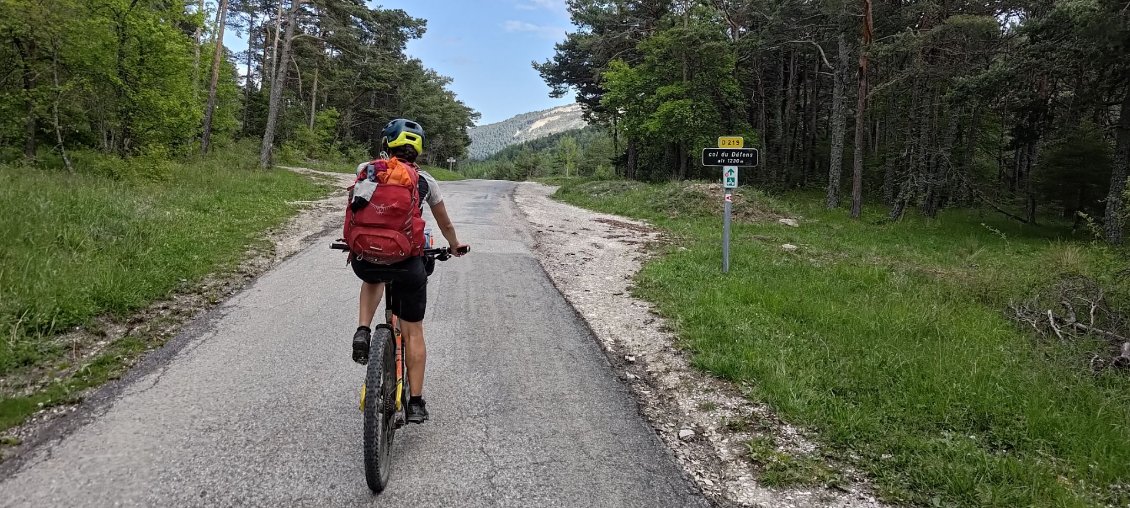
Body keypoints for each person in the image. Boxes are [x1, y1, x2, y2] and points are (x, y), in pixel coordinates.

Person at [349, 118, 469, 424]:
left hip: (367, 255)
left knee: (372, 273)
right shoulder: (426, 181)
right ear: (419, 149)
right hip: (407, 262)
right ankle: (415, 402)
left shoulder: (367, 168)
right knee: (414, 331)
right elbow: (446, 225)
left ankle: (363, 330)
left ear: (387, 143)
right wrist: (454, 245)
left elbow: (355, 209)